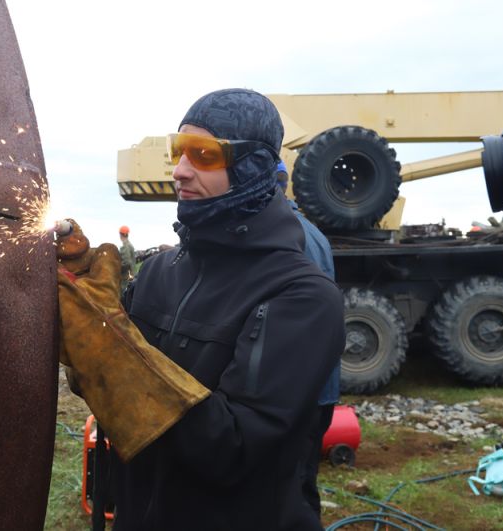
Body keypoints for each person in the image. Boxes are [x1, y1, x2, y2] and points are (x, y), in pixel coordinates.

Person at [111, 88, 346, 530]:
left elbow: (232, 448)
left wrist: (114, 359)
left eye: (202, 154)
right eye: (177, 150)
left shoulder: (302, 295)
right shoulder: (158, 271)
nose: (179, 171)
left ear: (252, 166)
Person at [276, 161, 342, 519]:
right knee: (304, 481)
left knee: (289, 489)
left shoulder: (281, 235)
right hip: (321, 389)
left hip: (297, 394)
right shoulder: (314, 234)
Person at [118, 225, 136, 292]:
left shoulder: (126, 246)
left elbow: (127, 262)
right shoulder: (129, 245)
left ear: (120, 234)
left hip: (125, 277)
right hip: (130, 275)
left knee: (123, 296)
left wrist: (117, 268)